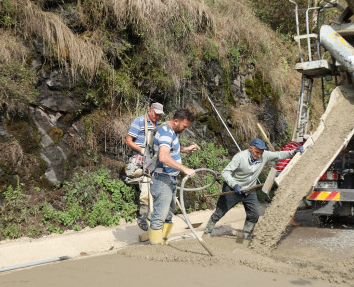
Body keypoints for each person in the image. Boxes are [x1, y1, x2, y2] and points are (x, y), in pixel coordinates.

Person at [203, 138, 303, 239]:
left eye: (261, 153)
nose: (259, 155)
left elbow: (279, 155)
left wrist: (294, 152)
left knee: (254, 213)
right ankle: (207, 231)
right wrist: (234, 185)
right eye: (256, 152)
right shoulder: (240, 157)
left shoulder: (265, 155)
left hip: (249, 189)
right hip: (233, 189)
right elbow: (225, 172)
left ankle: (247, 234)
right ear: (250, 148)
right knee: (220, 212)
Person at [148, 108, 199, 245]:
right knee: (160, 215)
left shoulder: (172, 131)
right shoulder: (165, 132)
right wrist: (185, 169)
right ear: (176, 121)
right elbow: (163, 156)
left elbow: (169, 147)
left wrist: (185, 149)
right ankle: (155, 248)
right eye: (184, 126)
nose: (185, 129)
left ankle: (163, 242)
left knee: (169, 214)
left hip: (170, 178)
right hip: (162, 179)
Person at [125, 102, 164, 231]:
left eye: (160, 115)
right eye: (157, 114)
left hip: (154, 161)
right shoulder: (139, 121)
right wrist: (141, 151)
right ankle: (142, 218)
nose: (158, 117)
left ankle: (154, 215)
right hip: (141, 160)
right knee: (146, 191)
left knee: (157, 189)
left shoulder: (157, 126)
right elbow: (128, 140)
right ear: (151, 110)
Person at [275, 136, 308, 227]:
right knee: (294, 197)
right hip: (287, 173)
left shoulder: (291, 144)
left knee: (282, 196)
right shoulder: (302, 148)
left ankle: (278, 218)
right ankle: (291, 220)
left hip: (279, 172)